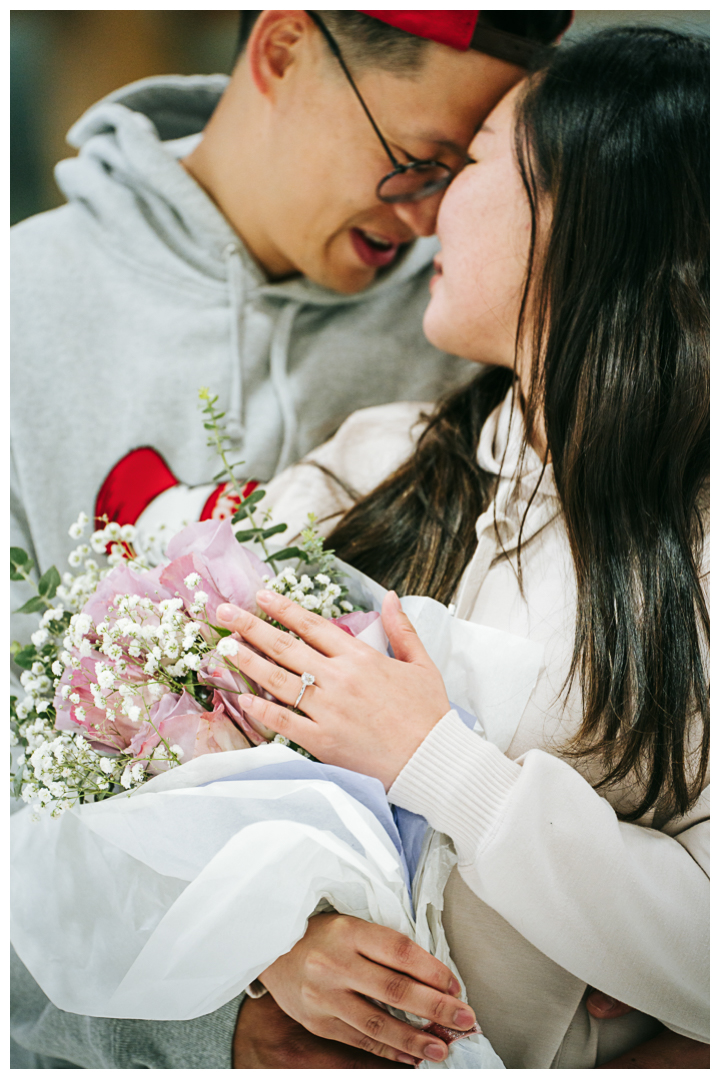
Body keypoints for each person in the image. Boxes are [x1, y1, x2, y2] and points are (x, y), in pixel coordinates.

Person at [10, 9, 574, 1071]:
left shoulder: (471, 328)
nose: (425, 220)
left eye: (464, 176)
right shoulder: (23, 311)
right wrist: (219, 1013)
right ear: (280, 50)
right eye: (417, 162)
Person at [210, 25, 709, 1069]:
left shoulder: (695, 550)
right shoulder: (375, 463)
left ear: (584, 212)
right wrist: (273, 949)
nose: (427, 211)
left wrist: (440, 765)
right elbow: (161, 752)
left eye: (469, 163)